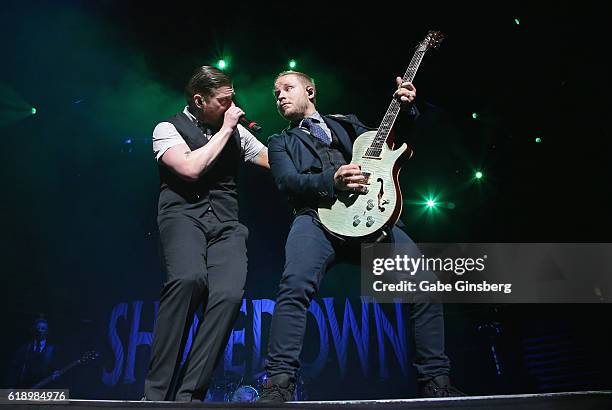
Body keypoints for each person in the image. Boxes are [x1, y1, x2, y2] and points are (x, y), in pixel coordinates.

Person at [258, 71, 463, 402]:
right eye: (275, 92)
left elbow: (390, 145)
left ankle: (436, 383)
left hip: (372, 218)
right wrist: (332, 179)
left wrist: (405, 108)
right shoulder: (280, 141)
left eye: (287, 88)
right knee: (294, 286)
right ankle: (279, 385)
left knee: (424, 285)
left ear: (310, 90)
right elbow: (287, 183)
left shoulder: (347, 123)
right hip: (316, 219)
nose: (279, 95)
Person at [144, 66, 269, 402]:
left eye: (234, 100)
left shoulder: (238, 134)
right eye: (224, 102)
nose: (233, 108)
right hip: (183, 217)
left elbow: (273, 161)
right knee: (188, 281)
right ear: (199, 101)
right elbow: (190, 169)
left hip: (227, 226)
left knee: (228, 296)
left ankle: (189, 395)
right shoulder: (167, 128)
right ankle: (155, 395)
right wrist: (227, 130)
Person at [6, 317, 60, 388]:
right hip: (24, 388)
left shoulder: (53, 350)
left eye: (43, 328)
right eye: (38, 328)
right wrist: (11, 386)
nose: (40, 331)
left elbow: (56, 368)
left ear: (47, 331)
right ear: (34, 330)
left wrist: (56, 373)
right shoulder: (25, 348)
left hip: (44, 389)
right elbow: (14, 367)